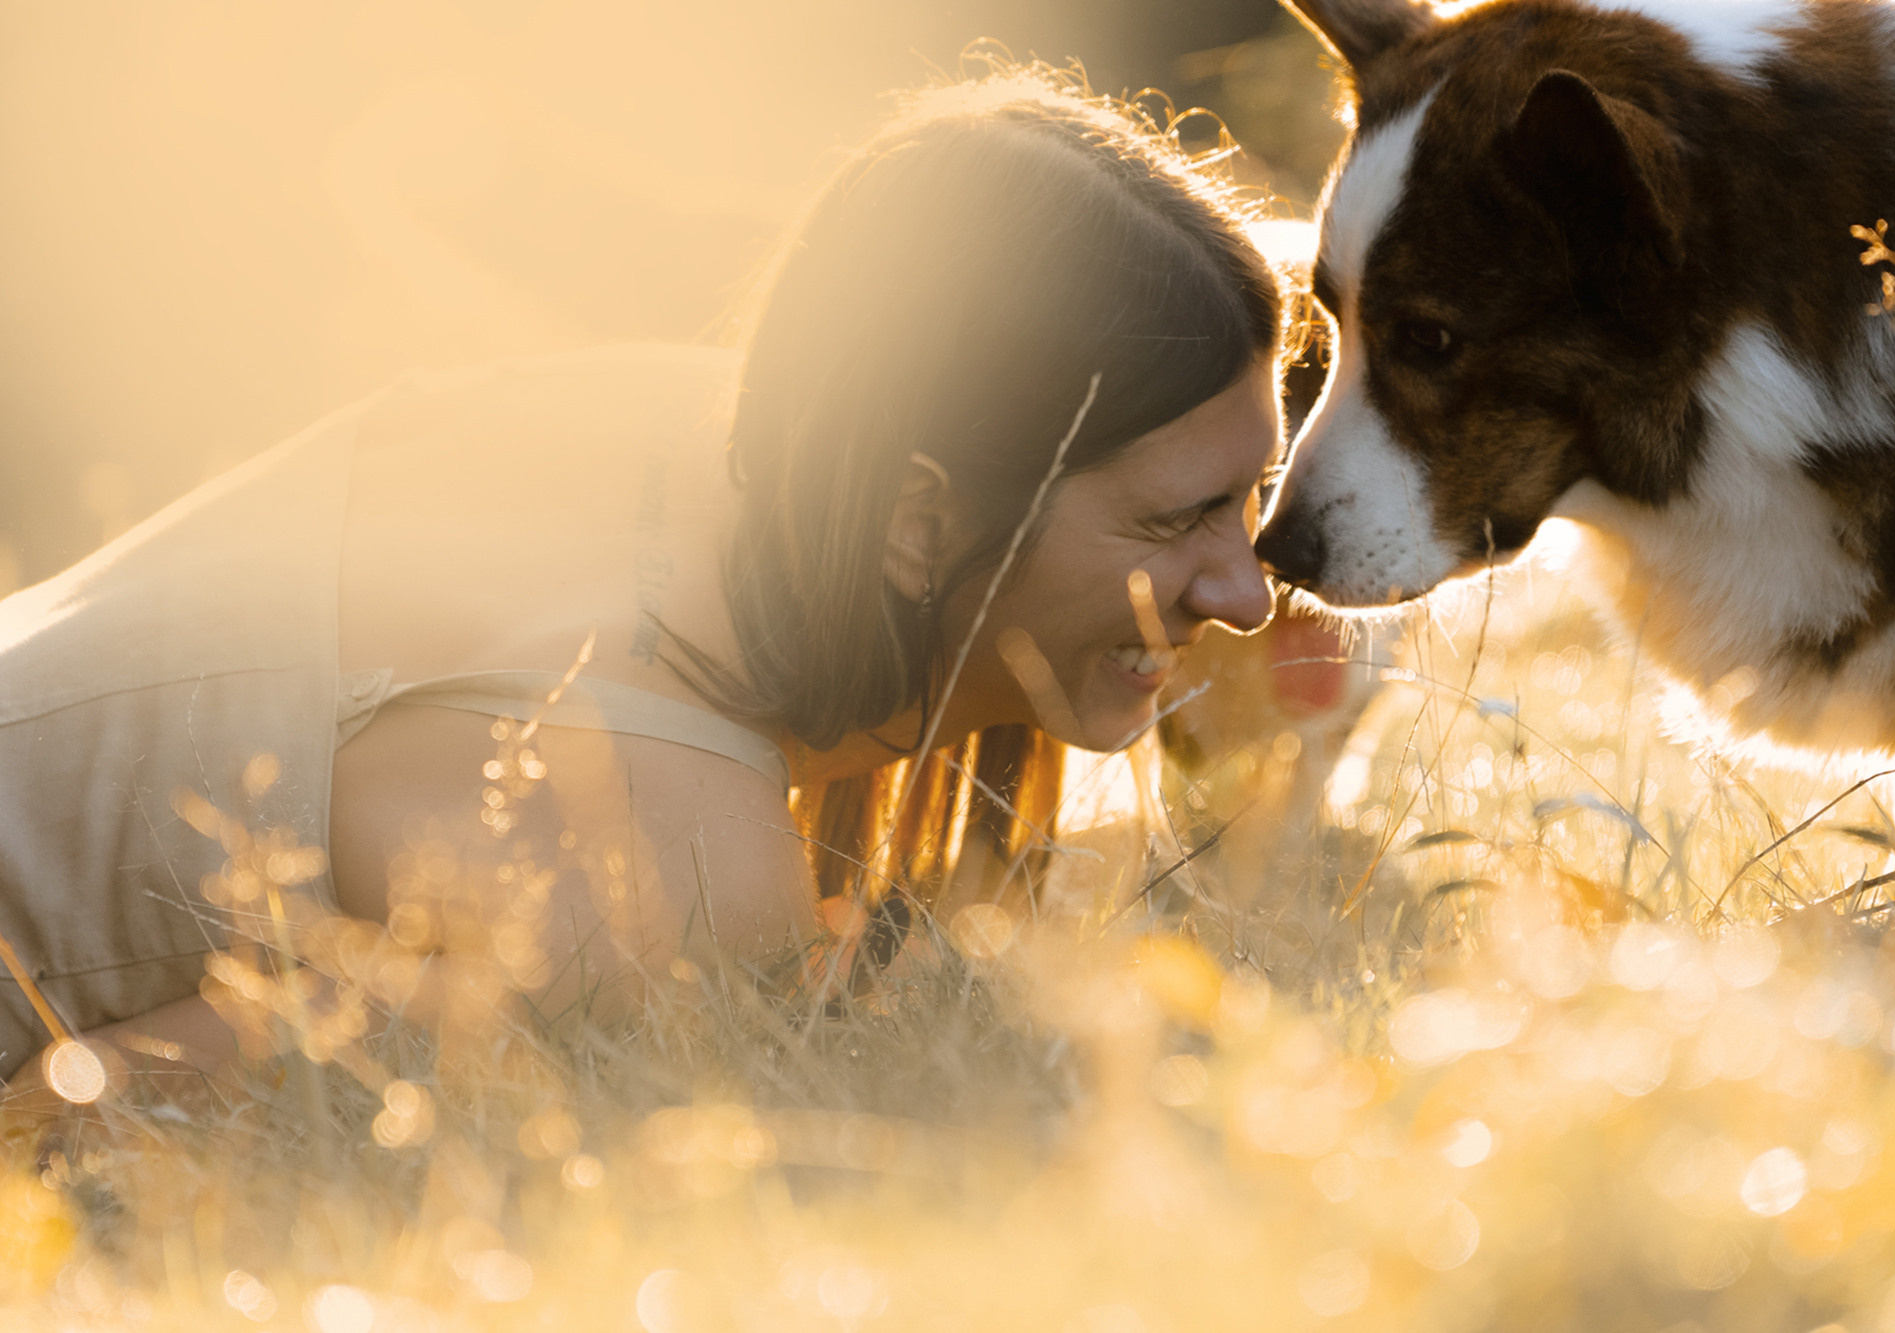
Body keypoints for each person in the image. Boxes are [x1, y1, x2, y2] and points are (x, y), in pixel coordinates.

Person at [0, 63, 1291, 1097]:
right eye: (1174, 518)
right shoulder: (667, 867)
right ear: (919, 514)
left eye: (1249, 499)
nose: (1246, 592)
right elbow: (55, 1126)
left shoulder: (692, 433)